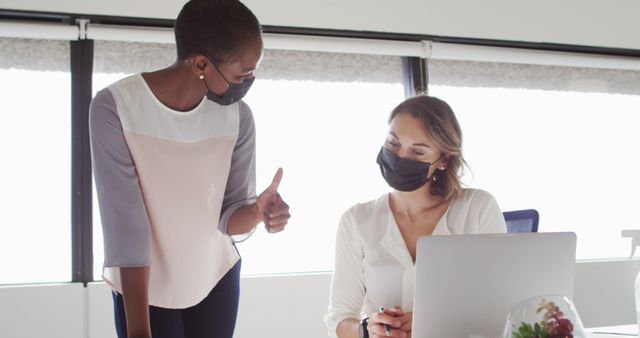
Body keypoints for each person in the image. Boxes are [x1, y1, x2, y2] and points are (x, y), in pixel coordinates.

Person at [89, 1, 290, 337]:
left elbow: (229, 220)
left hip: (216, 279)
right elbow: (125, 227)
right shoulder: (116, 108)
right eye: (243, 74)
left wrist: (257, 211)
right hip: (144, 288)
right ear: (201, 63)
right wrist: (139, 329)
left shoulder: (239, 118)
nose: (249, 81)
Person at [324, 95, 506, 338]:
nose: (401, 157)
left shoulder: (478, 208)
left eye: (418, 151)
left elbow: (499, 309)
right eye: (393, 142)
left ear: (442, 160)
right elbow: (338, 318)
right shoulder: (356, 220)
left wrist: (432, 324)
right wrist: (367, 329)